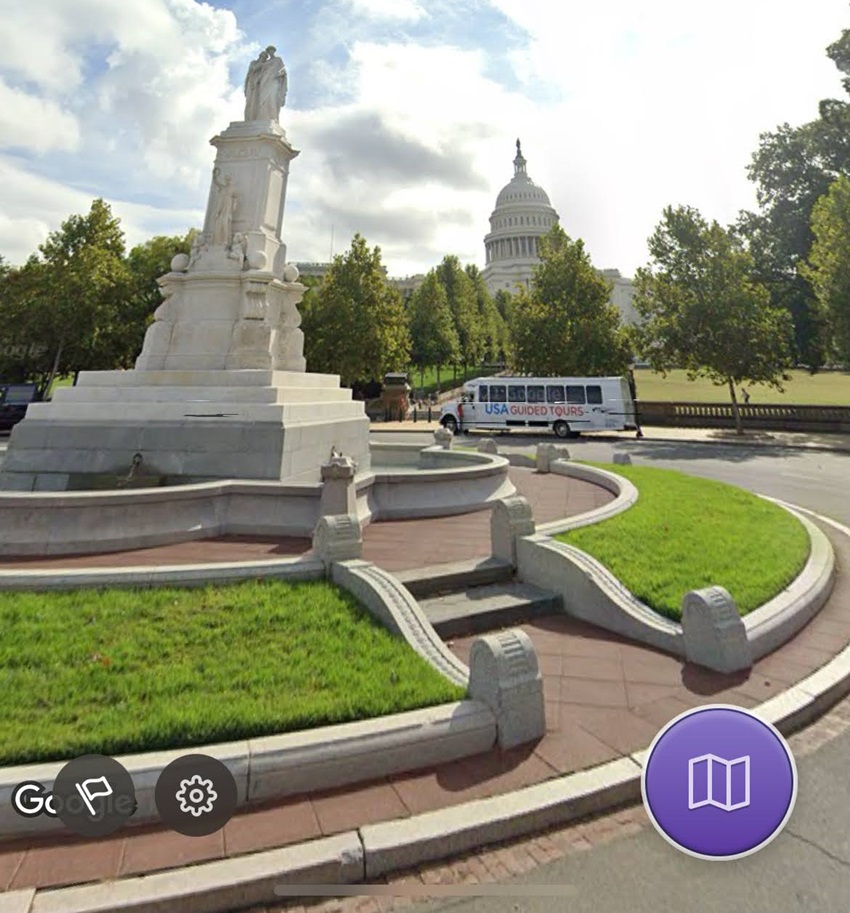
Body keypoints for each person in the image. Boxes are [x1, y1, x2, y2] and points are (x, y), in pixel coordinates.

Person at [255, 46, 288, 121]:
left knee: (272, 98)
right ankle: (263, 118)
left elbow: (283, 70)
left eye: (272, 50)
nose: (270, 52)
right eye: (269, 51)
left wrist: (278, 74)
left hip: (273, 81)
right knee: (263, 99)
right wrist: (258, 79)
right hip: (264, 81)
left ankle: (272, 117)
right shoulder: (266, 62)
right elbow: (261, 71)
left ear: (274, 51)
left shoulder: (278, 59)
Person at [243, 49, 269, 120]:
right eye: (262, 57)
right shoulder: (254, 62)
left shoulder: (265, 66)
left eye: (265, 58)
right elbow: (253, 69)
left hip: (259, 85)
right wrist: (262, 64)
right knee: (249, 102)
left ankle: (256, 118)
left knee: (257, 103)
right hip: (250, 84)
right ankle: (248, 119)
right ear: (260, 56)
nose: (263, 59)